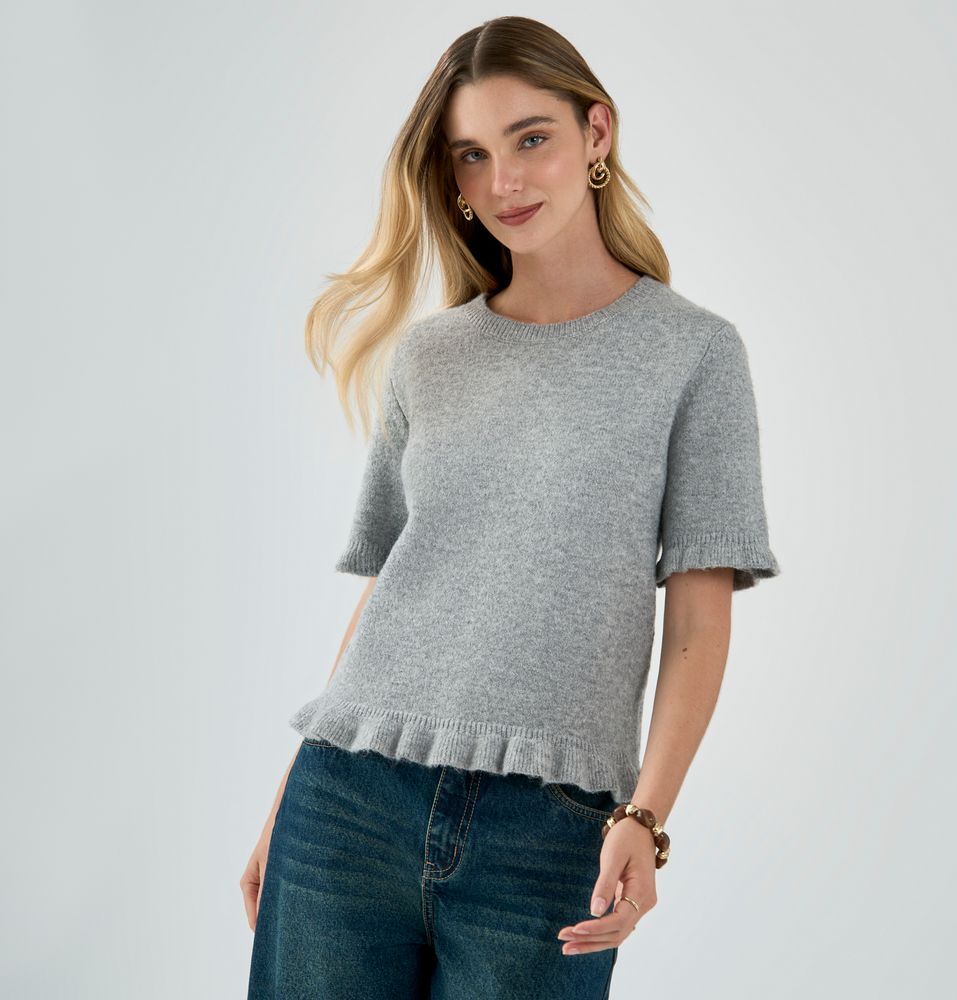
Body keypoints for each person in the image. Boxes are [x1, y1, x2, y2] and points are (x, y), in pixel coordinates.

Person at [242, 15, 780, 1000]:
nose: (505, 181)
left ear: (596, 132)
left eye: (531, 138)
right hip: (347, 803)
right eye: (473, 155)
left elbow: (699, 620)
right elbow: (394, 586)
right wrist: (288, 797)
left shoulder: (693, 354)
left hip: (548, 835)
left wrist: (646, 816)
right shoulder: (432, 356)